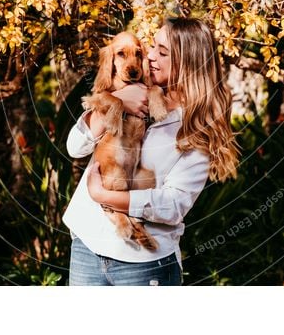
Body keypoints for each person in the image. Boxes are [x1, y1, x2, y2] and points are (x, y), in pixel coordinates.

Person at [62, 17, 241, 285]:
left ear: (188, 62)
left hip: (142, 265)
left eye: (163, 52)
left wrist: (105, 196)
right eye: (152, 47)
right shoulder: (127, 93)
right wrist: (119, 101)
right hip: (87, 245)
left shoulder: (196, 125)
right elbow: (75, 147)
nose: (150, 56)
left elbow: (173, 204)